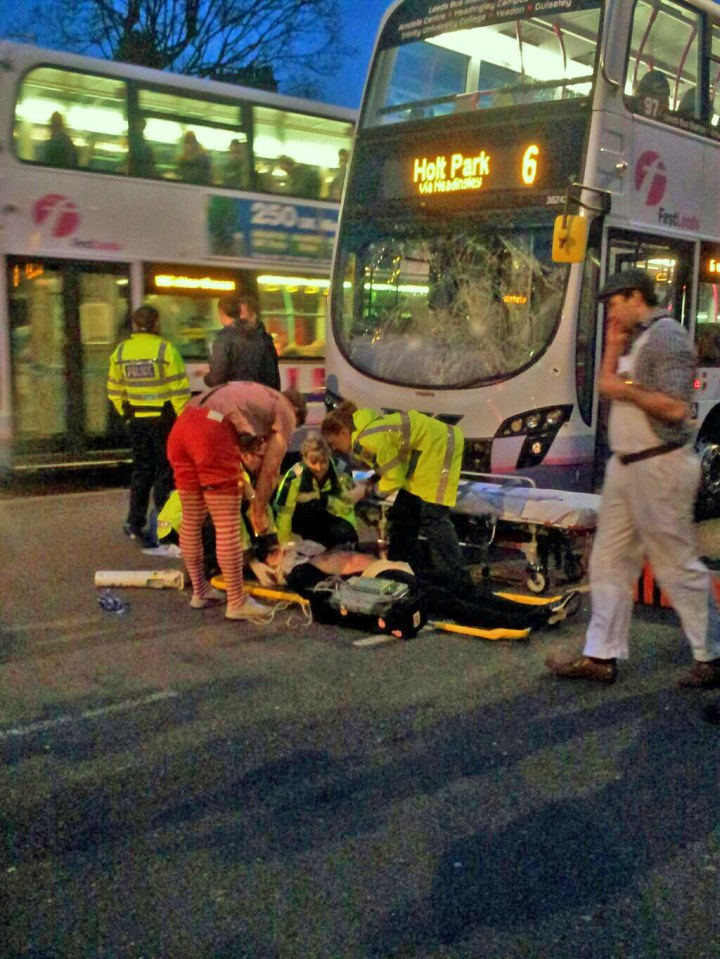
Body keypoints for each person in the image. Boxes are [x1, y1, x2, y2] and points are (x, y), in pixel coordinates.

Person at [546, 269, 720, 687]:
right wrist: (612, 345)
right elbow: (607, 384)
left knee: (675, 562)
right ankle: (600, 655)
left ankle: (713, 653)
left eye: (612, 304)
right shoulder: (634, 337)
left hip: (659, 465)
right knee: (607, 561)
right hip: (626, 467)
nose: (609, 312)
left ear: (633, 296)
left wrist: (627, 390)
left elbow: (676, 409)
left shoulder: (667, 338)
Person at [166, 381, 307, 621]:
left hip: (183, 427)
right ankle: (237, 602)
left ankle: (200, 592)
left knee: (191, 519)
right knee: (227, 525)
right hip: (211, 433)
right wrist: (259, 511)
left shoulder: (257, 397)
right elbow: (271, 470)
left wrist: (252, 495)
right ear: (297, 412)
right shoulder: (284, 410)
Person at [321, 402, 470, 591]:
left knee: (433, 516)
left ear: (343, 432)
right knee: (403, 513)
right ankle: (404, 568)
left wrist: (367, 491)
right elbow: (389, 464)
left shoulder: (367, 440)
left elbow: (394, 478)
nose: (336, 450)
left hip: (438, 448)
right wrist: (369, 482)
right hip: (428, 450)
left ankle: (457, 580)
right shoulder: (366, 430)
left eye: (334, 444)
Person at [107, 305, 191, 546]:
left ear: (135, 325)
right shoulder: (166, 351)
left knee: (142, 470)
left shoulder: (121, 352)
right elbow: (179, 392)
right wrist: (183, 422)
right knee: (166, 471)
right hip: (164, 421)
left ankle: (134, 522)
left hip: (137, 421)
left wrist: (126, 413)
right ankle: (161, 526)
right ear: (156, 324)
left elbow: (114, 390)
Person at [274, 432, 360, 549]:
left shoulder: (342, 471)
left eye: (323, 461)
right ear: (304, 458)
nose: (319, 467)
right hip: (305, 523)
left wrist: (321, 497)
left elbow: (347, 507)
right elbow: (284, 514)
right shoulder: (293, 476)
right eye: (313, 462)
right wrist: (284, 545)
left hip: (334, 520)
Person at [204, 294, 280, 390]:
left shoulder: (225, 339)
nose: (239, 317)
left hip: (237, 396)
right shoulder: (261, 339)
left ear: (253, 315)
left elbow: (217, 378)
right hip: (260, 396)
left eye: (242, 314)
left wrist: (207, 377)